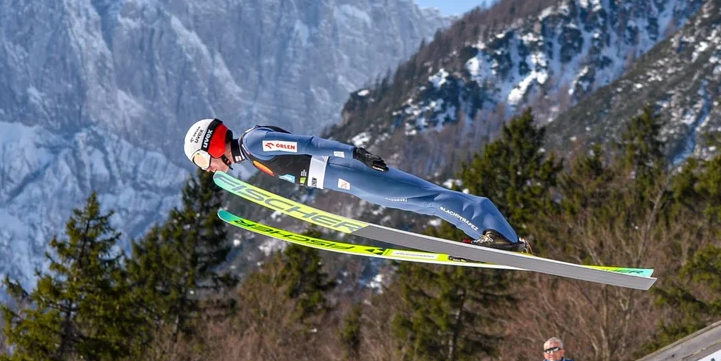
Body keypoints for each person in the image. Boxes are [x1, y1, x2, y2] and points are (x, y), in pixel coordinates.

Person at [182, 118, 530, 251]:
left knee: (425, 199)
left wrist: (357, 153)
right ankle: (490, 234)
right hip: (347, 180)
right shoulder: (249, 152)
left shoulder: (255, 141)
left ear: (212, 144)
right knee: (422, 199)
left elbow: (309, 144)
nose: (207, 168)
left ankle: (494, 231)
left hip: (348, 170)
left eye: (202, 160)